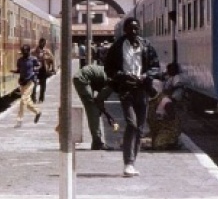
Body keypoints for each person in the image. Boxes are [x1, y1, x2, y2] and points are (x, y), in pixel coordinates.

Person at [104, 17, 160, 177]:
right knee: (132, 123)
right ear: (125, 30)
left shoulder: (146, 46)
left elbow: (155, 66)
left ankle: (132, 162)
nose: (133, 32)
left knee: (140, 128)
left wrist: (145, 76)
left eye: (136, 29)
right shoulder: (117, 47)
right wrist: (122, 76)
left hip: (142, 89)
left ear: (139, 30)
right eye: (130, 29)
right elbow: (109, 68)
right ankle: (127, 163)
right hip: (126, 90)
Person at [73, 64, 114, 150]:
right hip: (83, 79)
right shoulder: (113, 82)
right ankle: (97, 142)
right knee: (92, 110)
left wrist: (103, 111)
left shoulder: (111, 74)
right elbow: (99, 99)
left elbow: (100, 99)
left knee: (94, 110)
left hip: (82, 78)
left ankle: (96, 140)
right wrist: (106, 114)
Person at [147, 62, 183, 150]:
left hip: (167, 130)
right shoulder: (151, 101)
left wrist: (161, 118)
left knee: (158, 145)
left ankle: (173, 142)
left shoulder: (165, 101)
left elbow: (172, 118)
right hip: (158, 129)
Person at [12, 45, 42, 128]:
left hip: (30, 82)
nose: (24, 53)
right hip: (22, 82)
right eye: (23, 52)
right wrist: (13, 71)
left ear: (29, 51)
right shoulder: (20, 60)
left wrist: (35, 70)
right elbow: (19, 70)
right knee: (27, 102)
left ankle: (19, 120)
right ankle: (38, 112)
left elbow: (39, 65)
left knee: (23, 99)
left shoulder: (33, 59)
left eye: (26, 52)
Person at [31, 38, 54, 103]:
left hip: (44, 69)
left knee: (43, 85)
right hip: (35, 69)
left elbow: (52, 59)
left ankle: (41, 98)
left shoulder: (47, 51)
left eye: (44, 43)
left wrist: (52, 69)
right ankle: (33, 98)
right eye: (42, 43)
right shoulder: (34, 51)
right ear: (40, 42)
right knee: (34, 84)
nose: (44, 44)